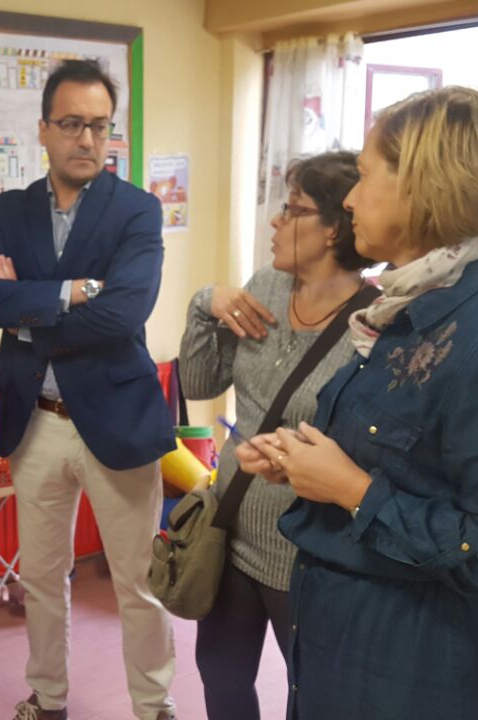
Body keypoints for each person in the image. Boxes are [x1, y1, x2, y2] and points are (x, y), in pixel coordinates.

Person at [238, 86, 478, 720]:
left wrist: (352, 490)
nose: (349, 199)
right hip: (356, 650)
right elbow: (409, 458)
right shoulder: (411, 310)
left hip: (425, 673)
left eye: (365, 175)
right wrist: (307, 463)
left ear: (426, 185)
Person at [0, 59, 177, 720]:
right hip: (36, 422)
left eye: (100, 126)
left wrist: (24, 312)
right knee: (40, 577)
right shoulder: (11, 209)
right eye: (72, 124)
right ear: (44, 129)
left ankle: (154, 706)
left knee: (137, 581)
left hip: (117, 420)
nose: (88, 139)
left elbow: (124, 313)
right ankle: (49, 697)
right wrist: (72, 291)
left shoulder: (137, 210)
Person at [179, 151, 374, 719]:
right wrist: (203, 306)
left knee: (312, 696)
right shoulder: (264, 285)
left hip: (307, 551)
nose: (276, 220)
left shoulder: (374, 323)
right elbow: (200, 382)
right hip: (230, 528)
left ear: (334, 227)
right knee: (221, 678)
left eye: (293, 210)